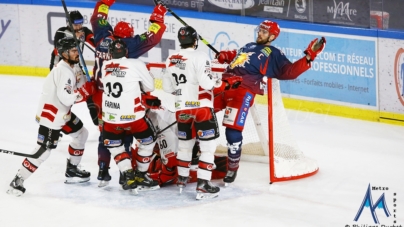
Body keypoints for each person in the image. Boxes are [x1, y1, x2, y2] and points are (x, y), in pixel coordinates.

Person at [214, 20, 326, 185]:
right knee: (200, 113)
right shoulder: (248, 46)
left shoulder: (273, 53)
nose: (260, 34)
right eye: (260, 31)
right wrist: (226, 55)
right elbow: (237, 55)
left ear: (272, 36)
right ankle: (194, 153)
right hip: (222, 85)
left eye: (264, 32)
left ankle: (232, 167)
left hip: (242, 90)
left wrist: (309, 56)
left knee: (232, 131)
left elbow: (289, 72)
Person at [90, 0, 167, 186]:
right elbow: (152, 37)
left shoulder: (102, 36)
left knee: (106, 133)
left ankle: (103, 170)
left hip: (99, 94)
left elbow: (98, 17)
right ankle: (128, 173)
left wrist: (105, 2)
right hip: (122, 95)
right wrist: (158, 14)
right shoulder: (128, 45)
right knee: (126, 131)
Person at [7, 37, 96, 196]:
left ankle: (72, 170)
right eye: (74, 51)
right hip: (53, 116)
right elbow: (66, 97)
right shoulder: (63, 71)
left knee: (81, 134)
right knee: (44, 150)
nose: (78, 53)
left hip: (63, 114)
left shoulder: (72, 67)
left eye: (77, 50)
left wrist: (85, 80)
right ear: (64, 53)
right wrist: (83, 93)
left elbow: (80, 84)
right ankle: (18, 180)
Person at [162, 26, 223, 200]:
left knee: (184, 146)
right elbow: (207, 84)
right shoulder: (200, 56)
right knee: (207, 148)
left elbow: (167, 87)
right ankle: (203, 185)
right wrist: (218, 81)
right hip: (201, 108)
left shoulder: (170, 58)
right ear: (195, 41)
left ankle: (181, 180)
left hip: (182, 108)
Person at [100, 39, 160, 192]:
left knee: (115, 146)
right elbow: (149, 87)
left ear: (110, 53)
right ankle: (140, 174)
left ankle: (127, 174)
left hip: (110, 119)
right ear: (126, 52)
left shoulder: (105, 66)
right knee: (149, 140)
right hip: (134, 119)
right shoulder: (136, 64)